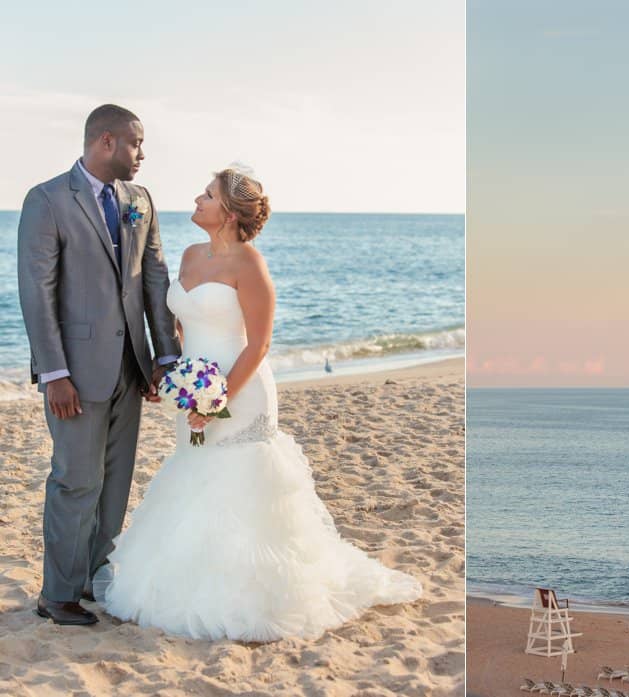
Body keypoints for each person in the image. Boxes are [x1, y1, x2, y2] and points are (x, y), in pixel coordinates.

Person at [94, 166, 422, 641]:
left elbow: (259, 345)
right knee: (195, 475)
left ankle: (250, 593)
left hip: (241, 388)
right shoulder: (188, 256)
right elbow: (181, 325)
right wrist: (181, 379)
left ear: (226, 213)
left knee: (238, 481)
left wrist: (218, 396)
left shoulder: (250, 265)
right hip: (195, 386)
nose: (197, 199)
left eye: (206, 195)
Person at [17, 104, 180, 626]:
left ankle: (92, 581)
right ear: (106, 141)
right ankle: (57, 595)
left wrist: (164, 358)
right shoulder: (46, 201)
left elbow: (154, 279)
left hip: (130, 368)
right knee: (76, 481)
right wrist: (54, 373)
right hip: (76, 375)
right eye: (136, 143)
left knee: (114, 485)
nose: (142, 154)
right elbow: (36, 294)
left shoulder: (141, 200)